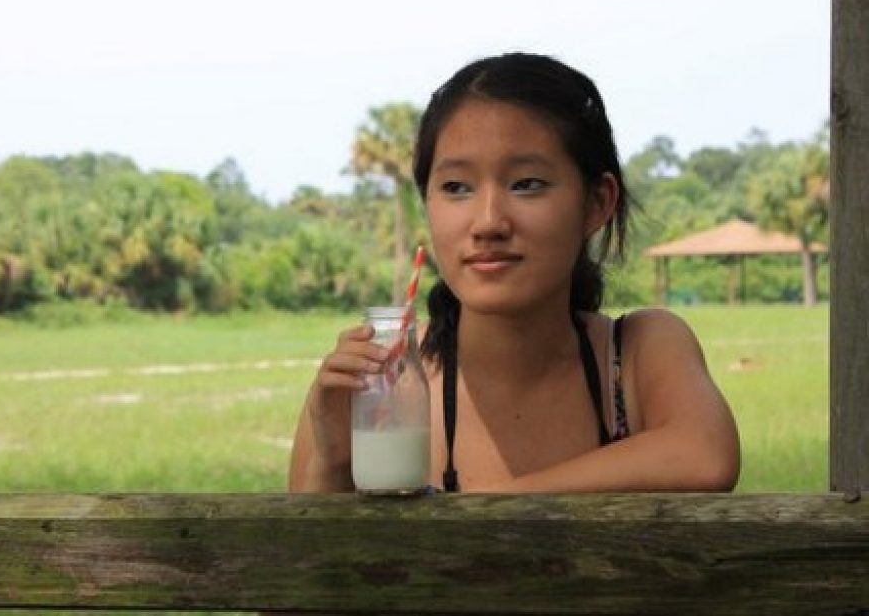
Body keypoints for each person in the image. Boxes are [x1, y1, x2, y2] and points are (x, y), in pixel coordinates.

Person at [289, 52, 740, 494]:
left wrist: (486, 508)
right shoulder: (376, 385)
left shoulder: (637, 355)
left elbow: (704, 455)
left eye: (527, 184)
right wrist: (332, 465)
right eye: (456, 187)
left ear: (597, 202)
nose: (488, 222)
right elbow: (301, 543)